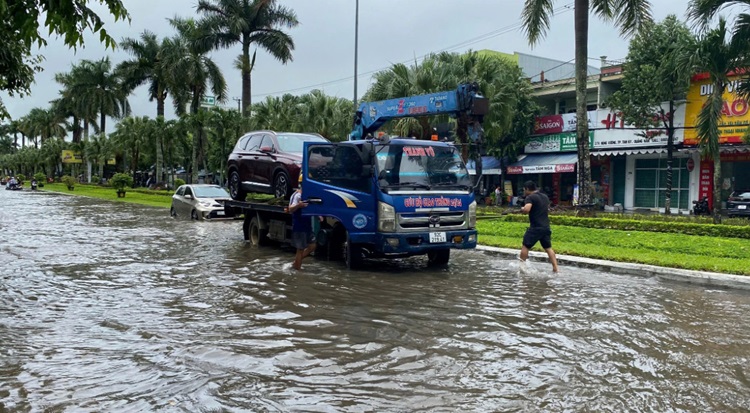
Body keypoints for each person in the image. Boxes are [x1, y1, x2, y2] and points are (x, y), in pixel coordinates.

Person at [519, 180, 559, 273]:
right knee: (548, 248)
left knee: (525, 246)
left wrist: (522, 209)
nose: (524, 192)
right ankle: (556, 269)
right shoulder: (544, 197)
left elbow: (527, 209)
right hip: (546, 227)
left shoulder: (530, 197)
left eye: (524, 190)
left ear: (527, 189)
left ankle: (521, 267)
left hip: (535, 227)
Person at [288, 174, 316, 270]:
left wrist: (318, 215)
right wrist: (298, 206)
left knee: (312, 246)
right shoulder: (297, 195)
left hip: (307, 225)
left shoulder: (308, 195)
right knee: (300, 249)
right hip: (299, 226)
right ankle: (297, 271)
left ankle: (295, 262)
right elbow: (290, 209)